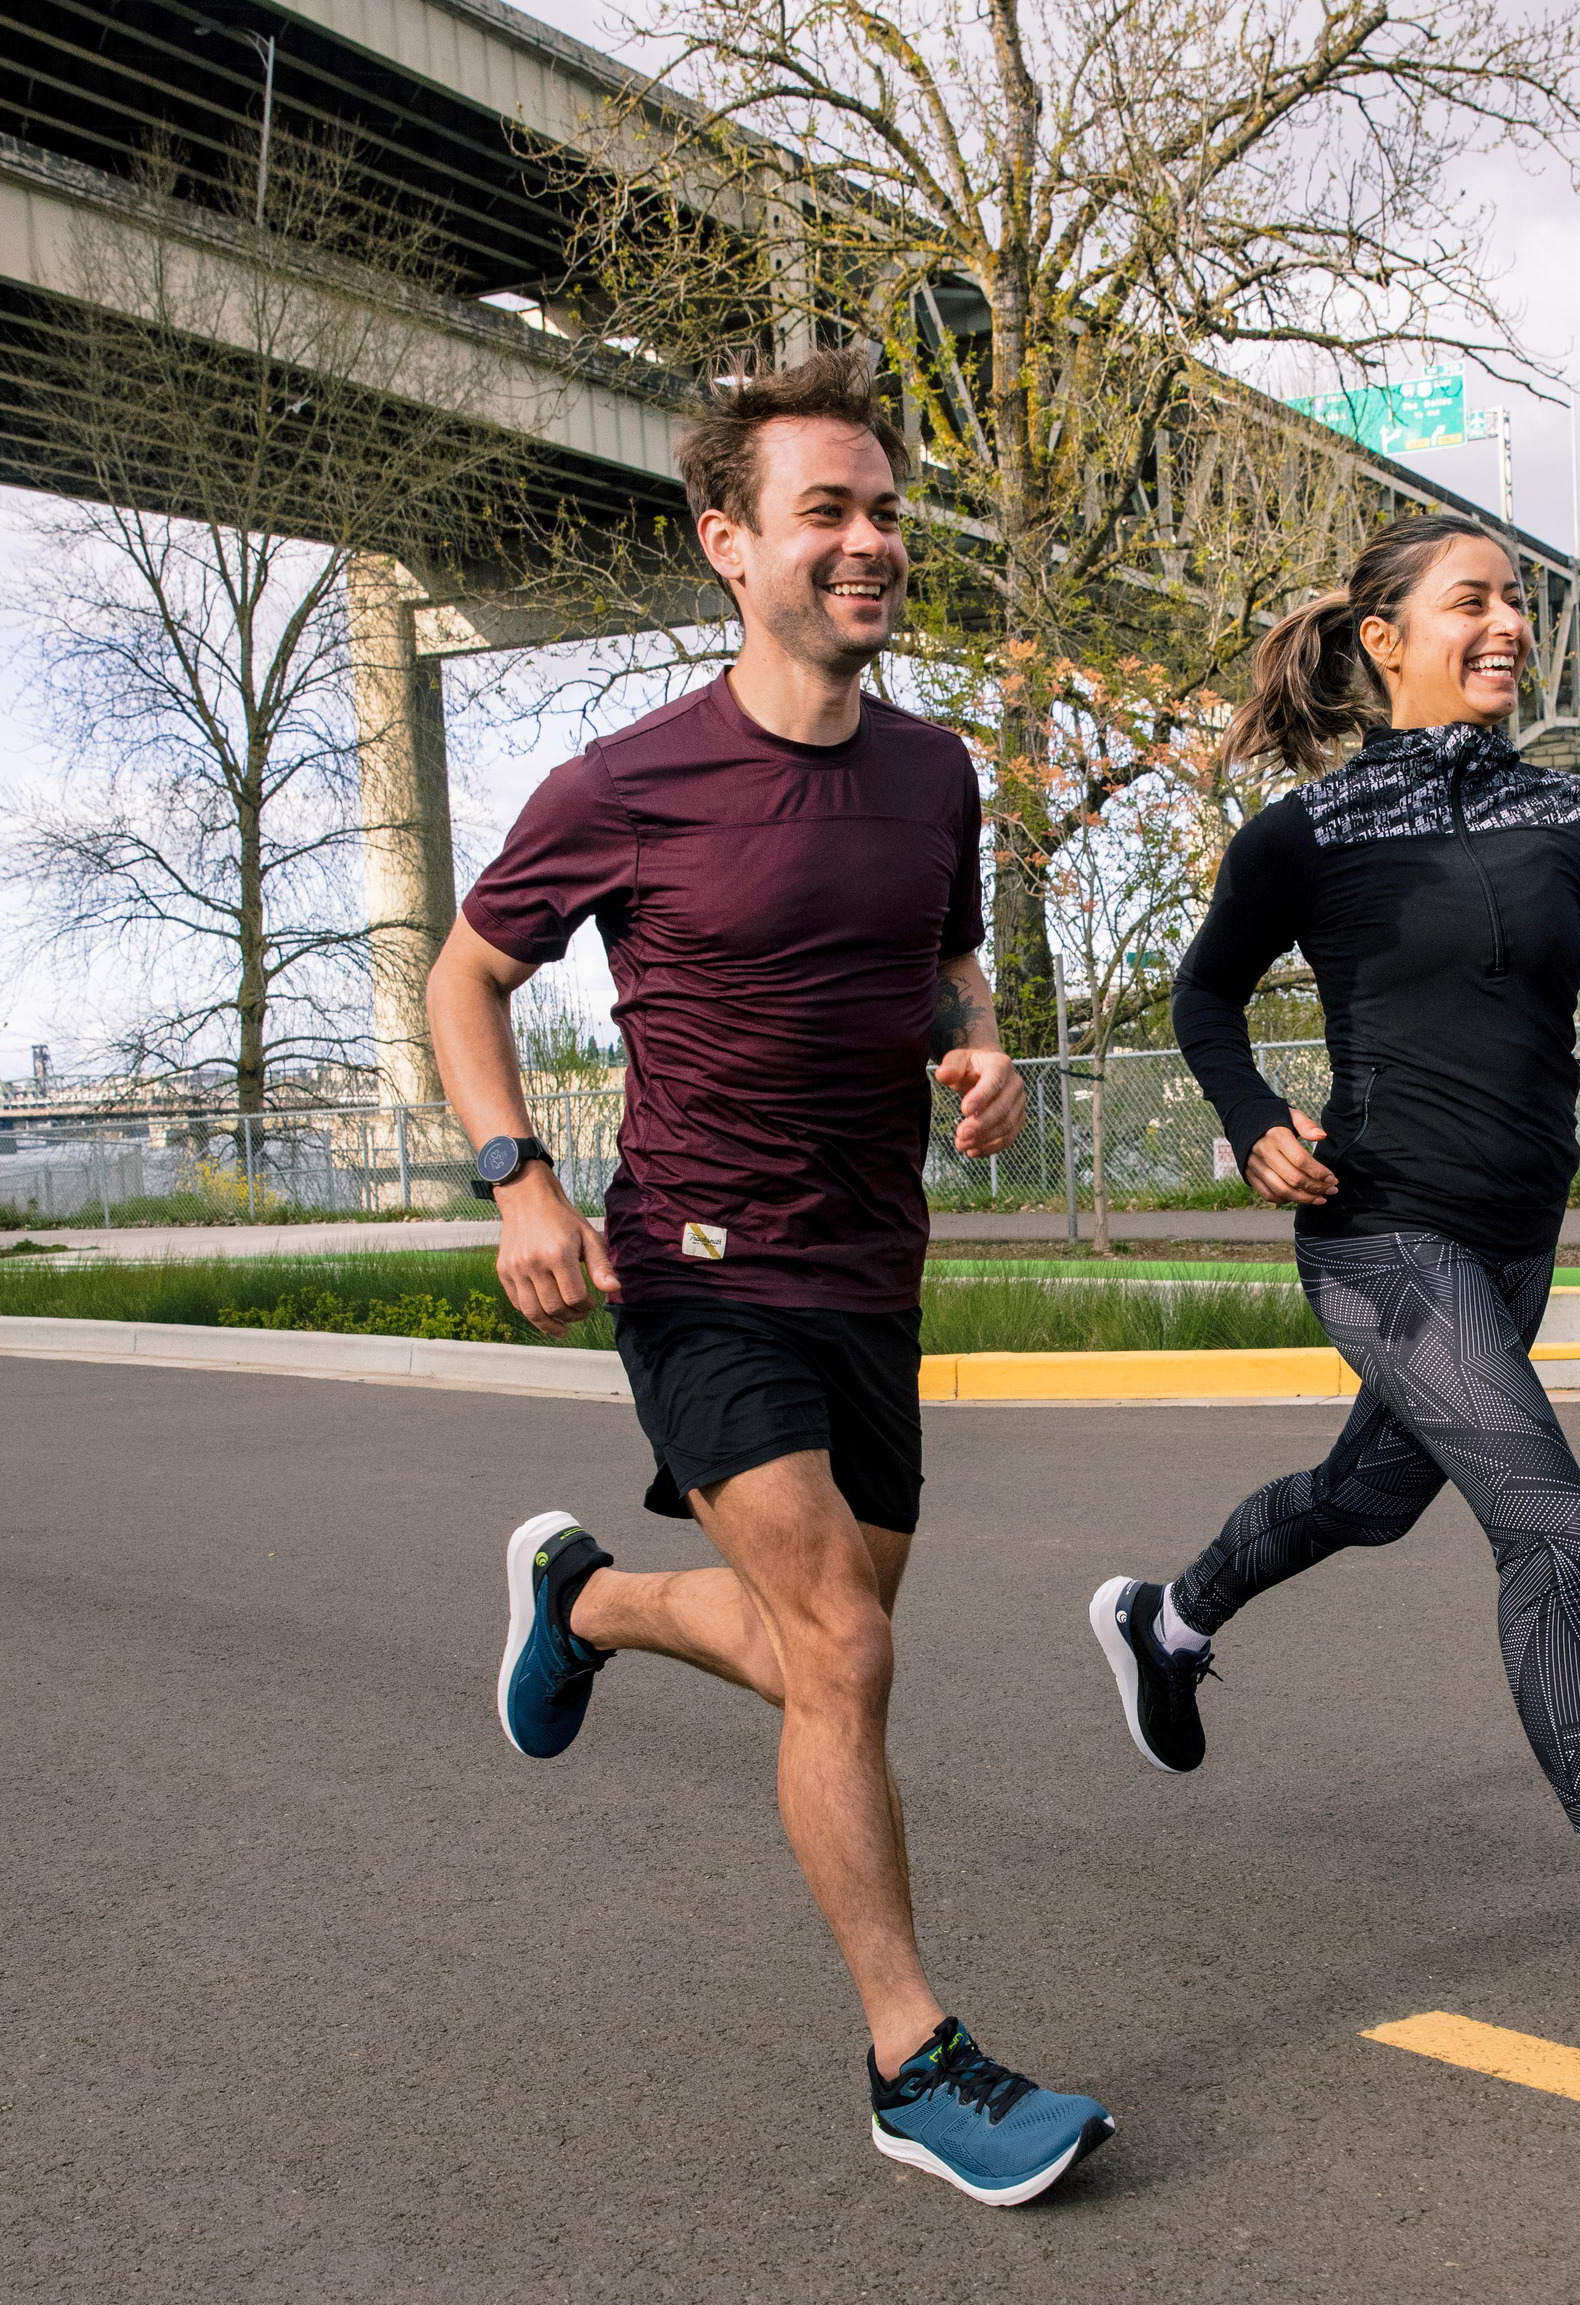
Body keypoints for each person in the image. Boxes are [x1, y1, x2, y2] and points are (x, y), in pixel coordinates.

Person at [431, 350, 1114, 2205]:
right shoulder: (628, 782)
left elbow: (949, 969)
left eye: (886, 510)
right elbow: (463, 977)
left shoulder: (933, 773)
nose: (872, 542)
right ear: (729, 544)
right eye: (829, 511)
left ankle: (580, 1604)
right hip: (699, 1260)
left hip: (869, 1269)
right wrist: (521, 1182)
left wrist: (980, 1051)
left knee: (826, 1643)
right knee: (848, 1646)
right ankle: (917, 2060)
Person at [1083, 511, 1580, 2024]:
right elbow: (1206, 995)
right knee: (1552, 1524)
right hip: (1380, 1231)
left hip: (1512, 1236)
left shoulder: (1579, 821)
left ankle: (1164, 1622)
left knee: (1366, 1500)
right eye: (1473, 601)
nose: (1508, 626)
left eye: (1519, 604)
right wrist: (1251, 1125)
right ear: (1388, 640)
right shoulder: (1308, 833)